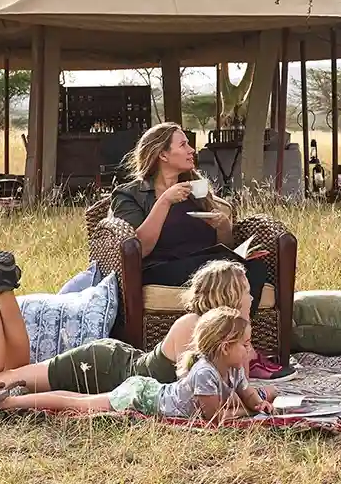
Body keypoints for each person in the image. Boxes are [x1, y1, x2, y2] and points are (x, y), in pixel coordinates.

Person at [0, 237, 292, 402]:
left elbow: (235, 386)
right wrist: (265, 395)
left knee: (13, 370)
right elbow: (211, 396)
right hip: (102, 369)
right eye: (247, 290)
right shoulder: (196, 327)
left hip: (114, 363)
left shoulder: (222, 331)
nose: (252, 298)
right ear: (230, 297)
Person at [109, 122, 290, 379]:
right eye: (183, 145)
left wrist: (224, 226)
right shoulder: (129, 195)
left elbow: (223, 246)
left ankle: (238, 347)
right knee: (230, 267)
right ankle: (243, 355)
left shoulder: (197, 188)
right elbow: (139, 248)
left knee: (253, 267)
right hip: (161, 268)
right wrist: (165, 201)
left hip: (209, 263)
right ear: (162, 154)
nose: (192, 150)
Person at [0, 307, 277, 425]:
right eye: (246, 344)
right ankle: (9, 402)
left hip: (146, 386)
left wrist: (258, 403)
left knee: (79, 402)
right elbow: (216, 418)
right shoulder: (206, 373)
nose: (252, 350)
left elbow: (248, 395)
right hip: (140, 396)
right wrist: (249, 410)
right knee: (77, 405)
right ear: (225, 347)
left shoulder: (233, 369)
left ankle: (11, 398)